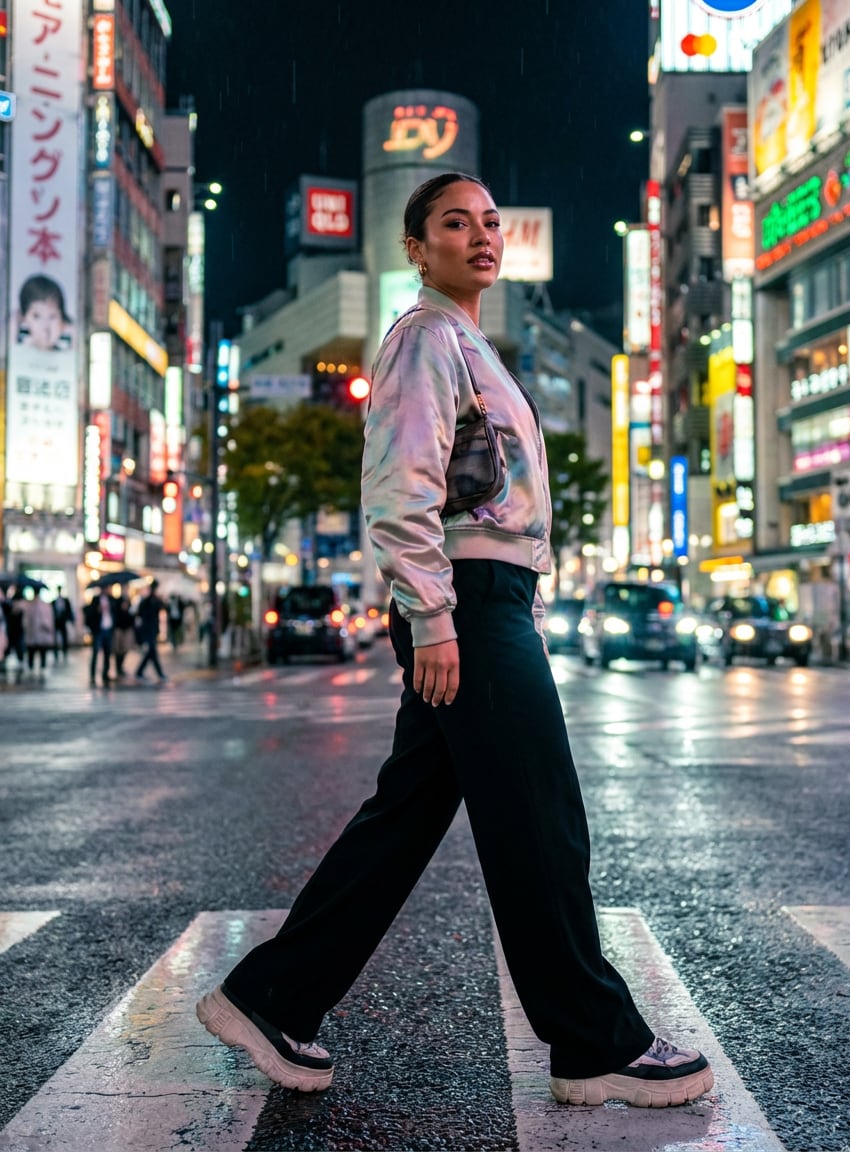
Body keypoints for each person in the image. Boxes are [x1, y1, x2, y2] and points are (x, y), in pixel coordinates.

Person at [195, 173, 713, 1109]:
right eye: (453, 223)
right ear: (416, 246)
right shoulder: (426, 337)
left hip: (489, 598)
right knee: (540, 819)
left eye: (489, 223)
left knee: (408, 818)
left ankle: (269, 995)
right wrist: (434, 616)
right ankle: (593, 1040)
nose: (479, 236)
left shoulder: (471, 343)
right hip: (467, 602)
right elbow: (401, 487)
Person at [16, 274, 73, 351]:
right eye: (36, 316)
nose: (45, 326)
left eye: (52, 317)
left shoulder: (67, 352)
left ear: (63, 322)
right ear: (23, 319)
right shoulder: (19, 349)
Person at [135, 579, 167, 681]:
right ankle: (159, 674)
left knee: (151, 653)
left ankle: (140, 671)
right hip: (148, 630)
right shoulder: (149, 601)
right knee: (152, 652)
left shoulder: (152, 600)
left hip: (151, 629)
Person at [84, 589, 116, 686]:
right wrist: (97, 610)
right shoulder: (96, 599)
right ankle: (92, 675)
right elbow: (89, 612)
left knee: (107, 653)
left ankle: (105, 673)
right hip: (99, 630)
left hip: (108, 628)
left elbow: (114, 612)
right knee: (95, 652)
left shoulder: (111, 599)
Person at [22, 590, 56, 676]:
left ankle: (36, 667)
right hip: (36, 633)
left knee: (37, 651)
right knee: (36, 651)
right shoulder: (35, 605)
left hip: (39, 632)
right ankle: (37, 667)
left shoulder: (36, 605)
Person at [52, 585, 75, 660]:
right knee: (55, 637)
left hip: (62, 621)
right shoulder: (54, 601)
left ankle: (65, 651)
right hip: (56, 621)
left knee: (64, 636)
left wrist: (71, 620)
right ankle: (56, 652)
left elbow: (69, 611)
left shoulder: (65, 600)